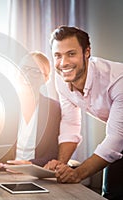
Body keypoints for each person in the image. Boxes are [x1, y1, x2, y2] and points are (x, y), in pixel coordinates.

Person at [44, 25, 123, 200]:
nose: (63, 63)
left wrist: (78, 174)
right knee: (110, 195)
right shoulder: (62, 78)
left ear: (87, 52)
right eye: (58, 55)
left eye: (71, 54)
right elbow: (70, 123)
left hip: (119, 139)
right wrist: (60, 164)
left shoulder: (117, 79)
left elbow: (116, 138)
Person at [0, 51, 61, 173]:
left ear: (46, 78)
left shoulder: (54, 109)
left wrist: (30, 165)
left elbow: (53, 153)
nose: (27, 75)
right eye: (24, 69)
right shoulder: (0, 106)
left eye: (35, 71)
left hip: (37, 174)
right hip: (4, 173)